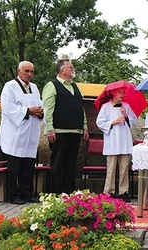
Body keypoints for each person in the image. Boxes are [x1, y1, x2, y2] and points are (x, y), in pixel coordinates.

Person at [0, 61, 43, 204]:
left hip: (30, 133)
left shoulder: (34, 88)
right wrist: (28, 111)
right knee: (14, 168)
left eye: (31, 72)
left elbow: (40, 104)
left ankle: (27, 193)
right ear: (19, 71)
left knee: (28, 166)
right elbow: (8, 108)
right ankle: (13, 195)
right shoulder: (9, 87)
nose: (29, 74)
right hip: (15, 134)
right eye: (26, 71)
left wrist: (40, 112)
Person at [42, 59, 89, 194]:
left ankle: (68, 192)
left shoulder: (76, 87)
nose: (73, 69)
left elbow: (81, 108)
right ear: (62, 70)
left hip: (75, 130)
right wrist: (49, 128)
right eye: (71, 67)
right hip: (59, 130)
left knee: (71, 164)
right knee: (58, 163)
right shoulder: (52, 85)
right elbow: (48, 109)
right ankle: (54, 193)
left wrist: (84, 126)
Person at [96, 87, 138, 202]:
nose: (122, 94)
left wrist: (126, 116)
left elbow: (134, 121)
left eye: (123, 92)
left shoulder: (126, 106)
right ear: (113, 92)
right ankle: (109, 191)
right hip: (112, 141)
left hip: (124, 140)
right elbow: (99, 122)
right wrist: (113, 122)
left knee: (124, 168)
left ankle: (123, 191)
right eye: (120, 92)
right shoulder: (106, 107)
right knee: (111, 169)